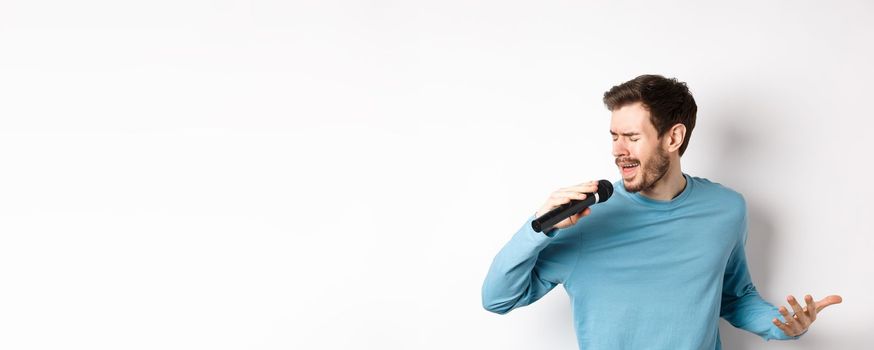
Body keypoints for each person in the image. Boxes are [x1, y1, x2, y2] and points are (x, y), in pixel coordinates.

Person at [481, 74, 842, 349]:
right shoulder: (584, 220)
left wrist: (779, 324)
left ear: (673, 138)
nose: (618, 150)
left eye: (632, 138)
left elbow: (734, 297)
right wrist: (537, 228)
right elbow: (497, 299)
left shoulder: (726, 209)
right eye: (614, 136)